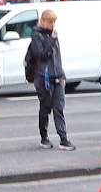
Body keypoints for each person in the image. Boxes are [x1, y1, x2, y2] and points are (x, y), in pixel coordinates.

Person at [25, 9, 74, 150]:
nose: (52, 24)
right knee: (46, 108)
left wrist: (61, 73)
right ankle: (44, 137)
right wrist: (52, 41)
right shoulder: (36, 36)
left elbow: (57, 57)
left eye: (54, 22)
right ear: (43, 21)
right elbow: (42, 55)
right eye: (50, 21)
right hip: (43, 78)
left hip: (57, 76)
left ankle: (63, 138)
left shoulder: (53, 36)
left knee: (59, 108)